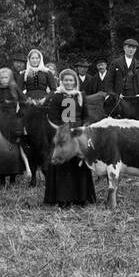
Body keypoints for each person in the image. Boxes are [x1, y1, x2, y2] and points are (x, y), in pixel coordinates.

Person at [42, 71, 95, 208]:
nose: (68, 83)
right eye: (65, 80)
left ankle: (81, 197)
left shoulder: (80, 96)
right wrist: (63, 131)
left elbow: (86, 116)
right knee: (63, 164)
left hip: (78, 134)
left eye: (71, 80)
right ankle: (63, 198)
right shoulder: (57, 97)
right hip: (64, 134)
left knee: (80, 163)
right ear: (61, 81)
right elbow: (52, 117)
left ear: (75, 81)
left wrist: (83, 128)